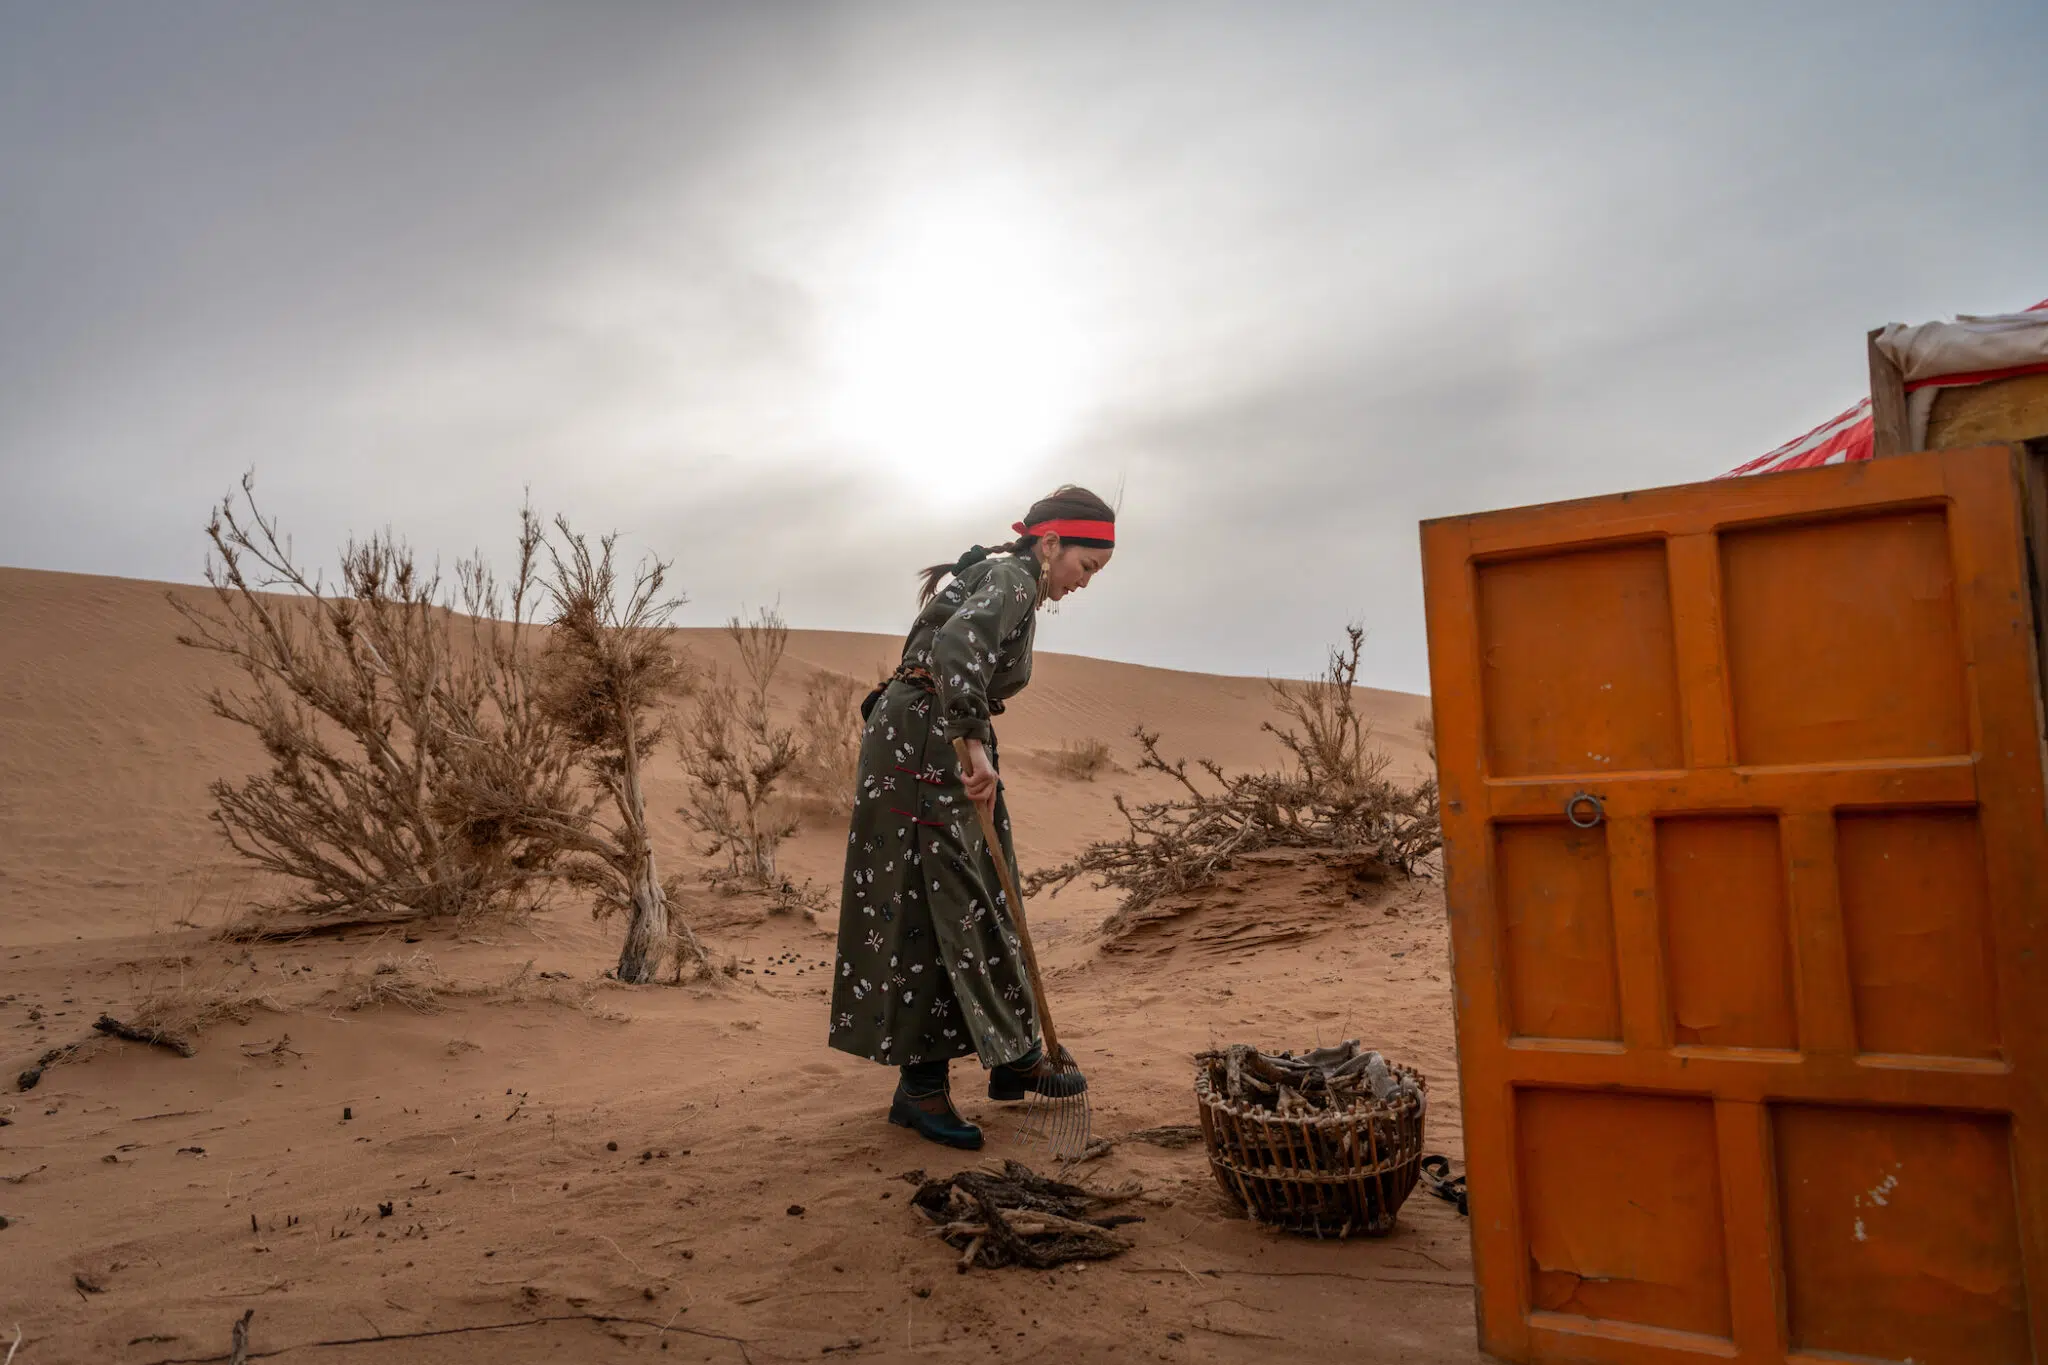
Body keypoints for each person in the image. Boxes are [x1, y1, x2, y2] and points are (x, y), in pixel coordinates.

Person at [826, 486, 1115, 1149]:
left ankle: (1013, 1055)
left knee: (984, 887)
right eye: (1085, 566)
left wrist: (971, 740)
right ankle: (921, 1089)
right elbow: (955, 649)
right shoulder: (1012, 578)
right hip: (927, 744)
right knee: (937, 901)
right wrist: (975, 746)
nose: (1083, 582)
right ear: (1051, 544)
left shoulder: (1010, 579)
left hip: (938, 738)